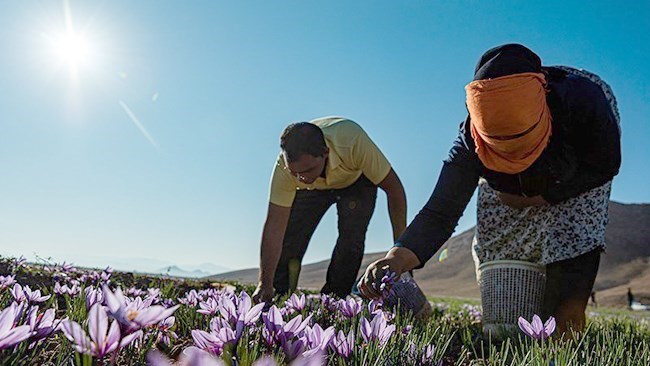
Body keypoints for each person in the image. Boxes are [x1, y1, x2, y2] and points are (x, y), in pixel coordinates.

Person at [359, 44, 621, 336]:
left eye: (519, 142)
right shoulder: (470, 143)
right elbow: (441, 210)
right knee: (504, 326)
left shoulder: (585, 103)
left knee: (561, 322)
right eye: (499, 147)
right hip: (505, 194)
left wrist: (545, 197)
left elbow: (603, 166)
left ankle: (566, 316)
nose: (513, 157)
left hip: (574, 173)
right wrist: (397, 258)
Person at [252, 117, 407, 303]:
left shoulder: (351, 140)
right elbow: (274, 227)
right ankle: (277, 295)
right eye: (295, 173)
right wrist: (264, 282)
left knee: (351, 239)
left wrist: (400, 251)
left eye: (307, 170)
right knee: (291, 237)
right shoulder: (286, 171)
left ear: (325, 152)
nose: (301, 179)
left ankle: (333, 302)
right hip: (314, 190)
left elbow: (395, 190)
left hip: (356, 181)